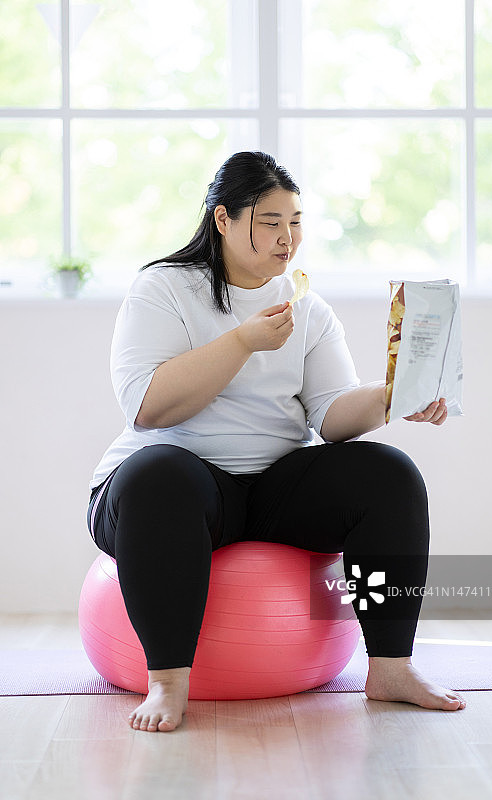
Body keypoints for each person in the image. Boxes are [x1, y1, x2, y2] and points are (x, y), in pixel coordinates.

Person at [87, 150, 466, 734]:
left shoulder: (307, 308)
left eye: (295, 222)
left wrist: (392, 396)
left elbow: (332, 417)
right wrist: (242, 341)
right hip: (174, 485)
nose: (287, 238)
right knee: (158, 474)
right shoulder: (163, 288)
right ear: (223, 220)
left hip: (270, 486)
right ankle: (167, 681)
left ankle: (392, 667)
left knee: (389, 473)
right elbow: (147, 405)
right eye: (270, 222)